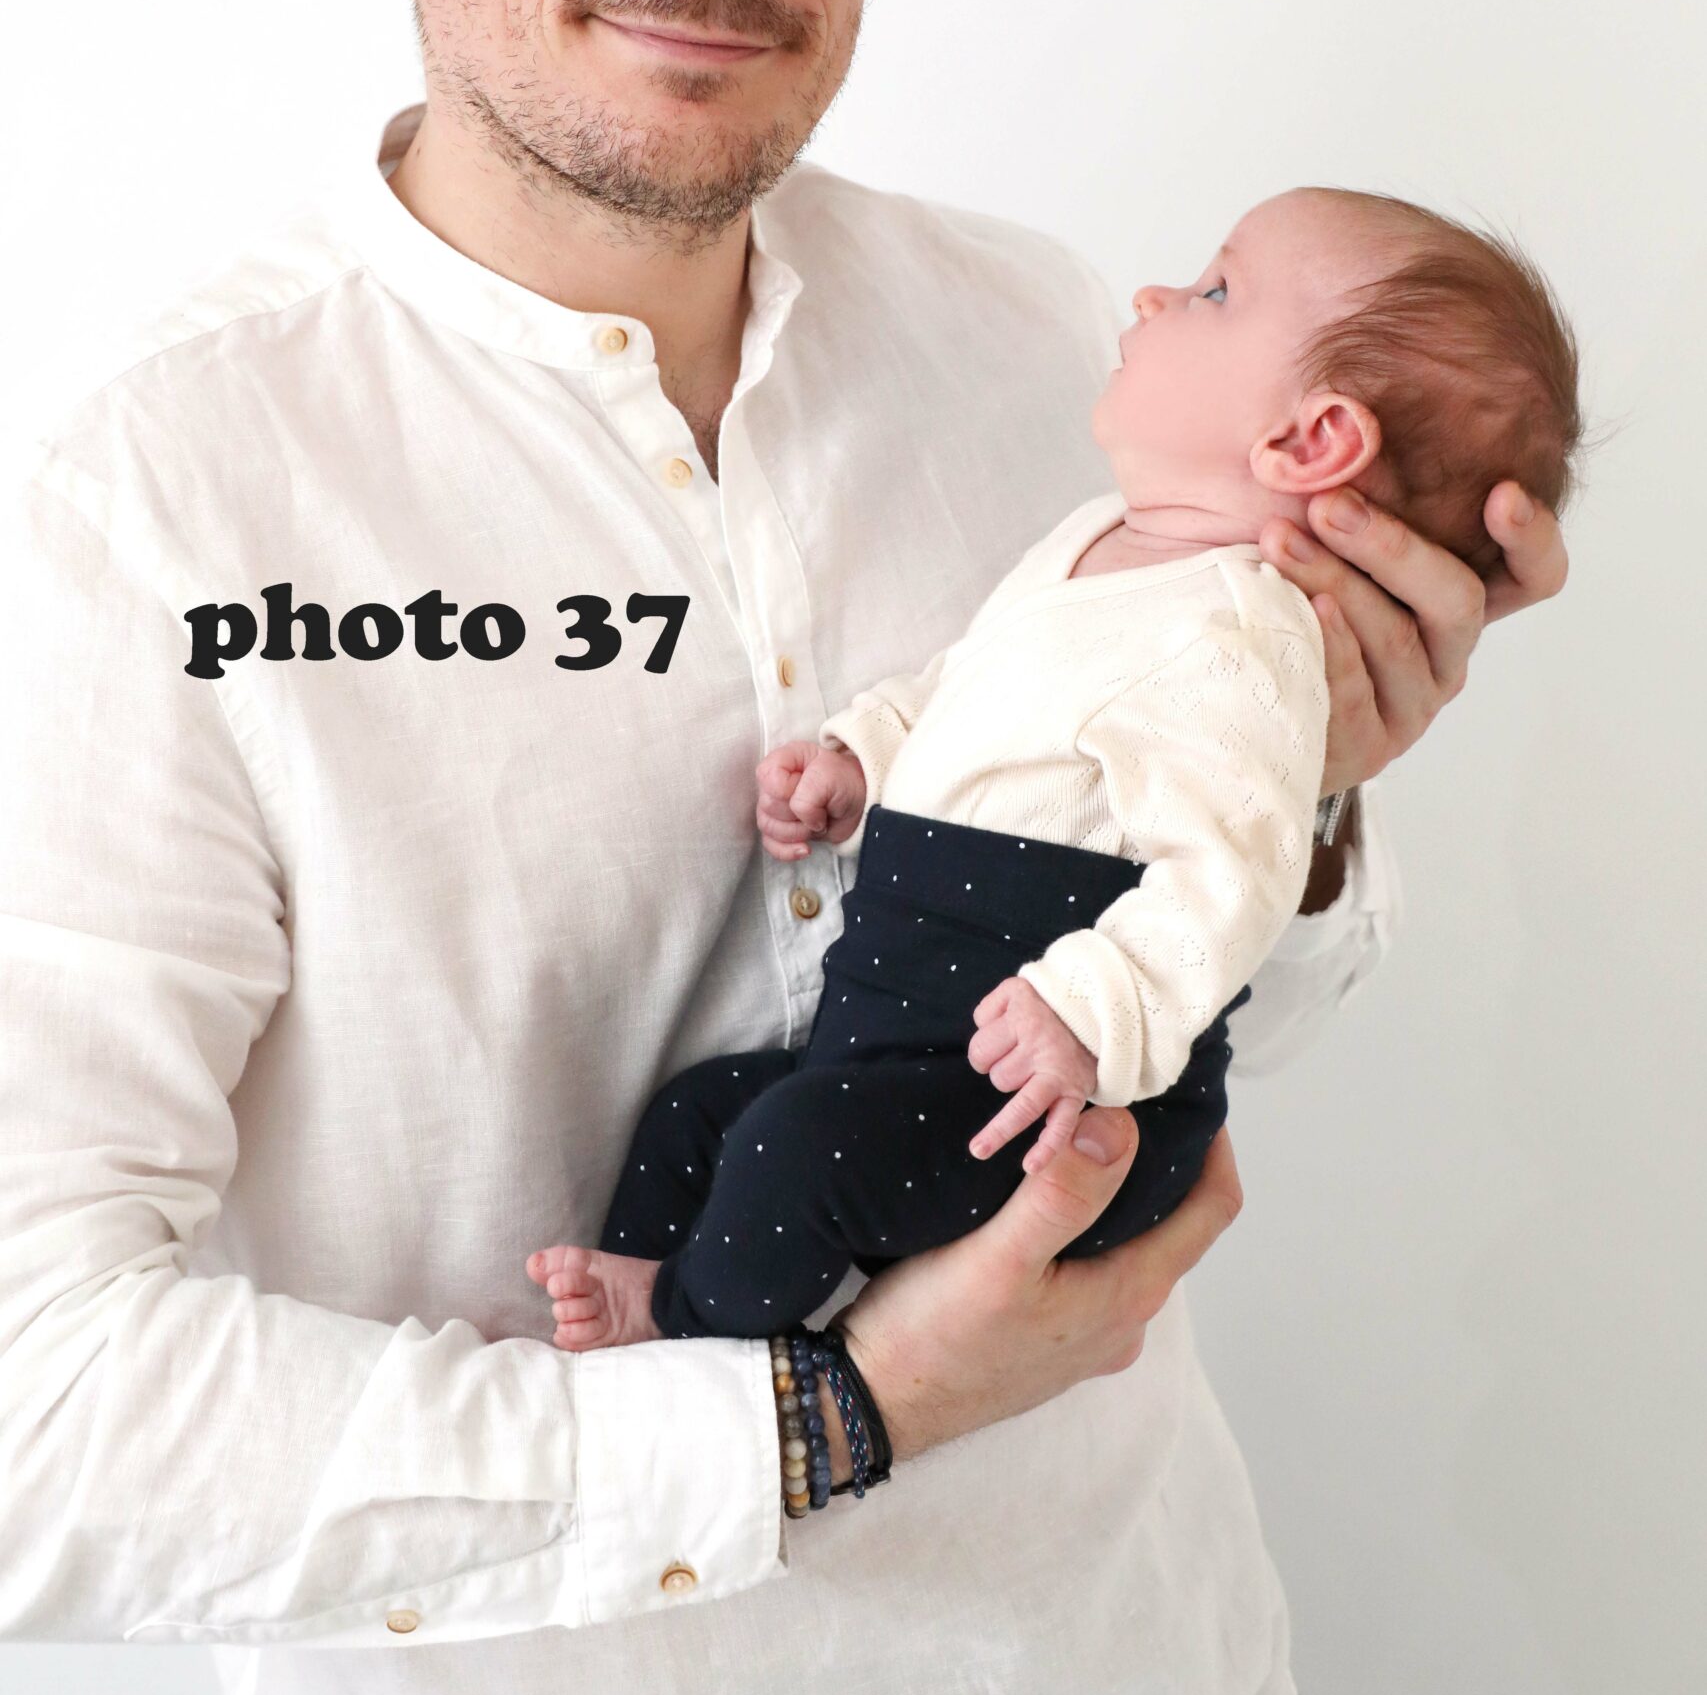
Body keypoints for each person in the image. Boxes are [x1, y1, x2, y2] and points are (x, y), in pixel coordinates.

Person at [0, 0, 1567, 1695]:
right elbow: (33, 1414)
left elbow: (1196, 1021)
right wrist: (822, 1415)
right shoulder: (147, 495)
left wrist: (1318, 785)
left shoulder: (1046, 344)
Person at [528, 187, 1582, 1354]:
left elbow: (1232, 877)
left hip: (1035, 1086)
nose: (1154, 295)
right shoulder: (1095, 540)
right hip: (906, 1033)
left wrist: (1093, 1010)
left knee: (794, 1153)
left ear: (1310, 439)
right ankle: (646, 1293)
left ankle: (684, 1330)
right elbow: (976, 690)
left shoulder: (1240, 637)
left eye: (1215, 291)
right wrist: (864, 754)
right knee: (703, 1113)